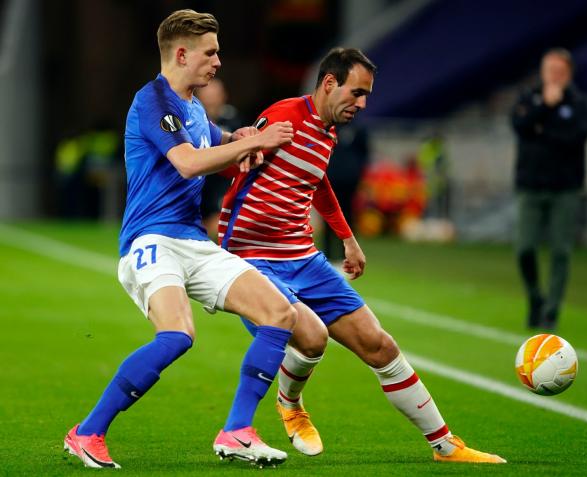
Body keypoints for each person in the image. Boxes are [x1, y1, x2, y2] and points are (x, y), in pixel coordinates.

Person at [218, 47, 506, 464]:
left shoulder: (327, 132)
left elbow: (316, 182)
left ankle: (445, 446)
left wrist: (348, 238)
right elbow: (232, 167)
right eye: (357, 93)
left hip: (302, 255)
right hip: (253, 259)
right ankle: (290, 404)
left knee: (379, 344)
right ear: (330, 83)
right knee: (311, 339)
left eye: (366, 95)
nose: (363, 103)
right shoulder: (283, 116)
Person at [63, 9, 298, 469]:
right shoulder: (152, 100)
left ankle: (236, 431)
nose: (218, 61)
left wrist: (244, 138)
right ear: (182, 53)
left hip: (194, 242)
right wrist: (254, 142)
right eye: (210, 52)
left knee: (279, 313)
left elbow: (218, 147)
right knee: (177, 335)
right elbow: (190, 162)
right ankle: (87, 432)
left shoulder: (193, 106)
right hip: (150, 241)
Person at [511, 48, 587, 330]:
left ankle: (551, 310)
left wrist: (540, 130)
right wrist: (546, 108)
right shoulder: (529, 97)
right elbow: (520, 125)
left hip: (565, 188)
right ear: (542, 71)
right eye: (550, 70)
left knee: (561, 251)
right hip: (530, 185)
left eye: (560, 71)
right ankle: (535, 296)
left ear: (568, 74)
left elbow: (575, 138)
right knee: (524, 248)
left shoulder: (580, 104)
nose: (554, 76)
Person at [196, 78, 242, 238]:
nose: (210, 100)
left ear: (223, 96)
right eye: (206, 96)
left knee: (219, 227)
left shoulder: (234, 122)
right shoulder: (192, 122)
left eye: (214, 95)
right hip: (198, 184)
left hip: (222, 185)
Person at [321, 123, 370, 262]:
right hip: (330, 180)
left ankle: (347, 255)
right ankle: (328, 255)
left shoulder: (359, 129)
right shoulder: (330, 127)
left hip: (350, 182)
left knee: (349, 216)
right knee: (329, 217)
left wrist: (357, 174)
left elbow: (364, 154)